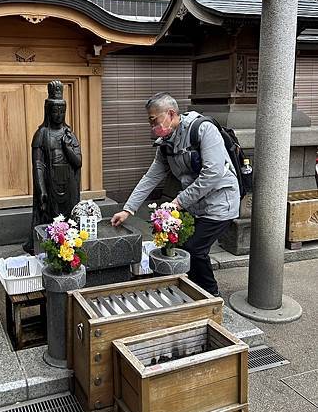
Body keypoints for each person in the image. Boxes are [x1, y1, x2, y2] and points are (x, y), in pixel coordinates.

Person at [111, 92, 240, 296]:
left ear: (171, 114)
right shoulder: (165, 143)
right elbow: (150, 177)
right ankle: (193, 290)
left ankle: (212, 295)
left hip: (220, 202)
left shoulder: (203, 129)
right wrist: (128, 209)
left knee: (195, 249)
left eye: (154, 120)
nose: (152, 127)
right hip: (195, 204)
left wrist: (178, 202)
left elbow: (212, 173)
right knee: (181, 246)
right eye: (150, 122)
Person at [23, 80, 82, 253]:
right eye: (55, 111)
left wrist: (67, 147)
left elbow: (78, 162)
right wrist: (41, 189)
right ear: (48, 112)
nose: (59, 114)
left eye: (62, 111)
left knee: (69, 217)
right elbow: (38, 165)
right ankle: (50, 247)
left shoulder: (69, 134)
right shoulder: (41, 134)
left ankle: (68, 247)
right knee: (50, 215)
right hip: (50, 182)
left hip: (69, 182)